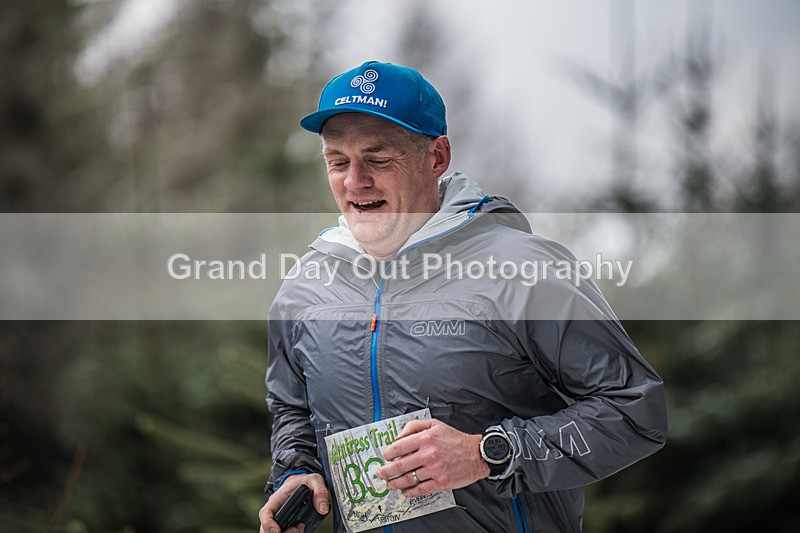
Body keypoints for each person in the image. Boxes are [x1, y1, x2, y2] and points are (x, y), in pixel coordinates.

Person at [259, 61, 667, 533]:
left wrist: (487, 453)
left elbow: (635, 410)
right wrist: (296, 471)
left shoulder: (525, 271)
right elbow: (292, 407)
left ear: (437, 157)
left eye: (378, 158)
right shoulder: (305, 287)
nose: (355, 181)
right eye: (337, 162)